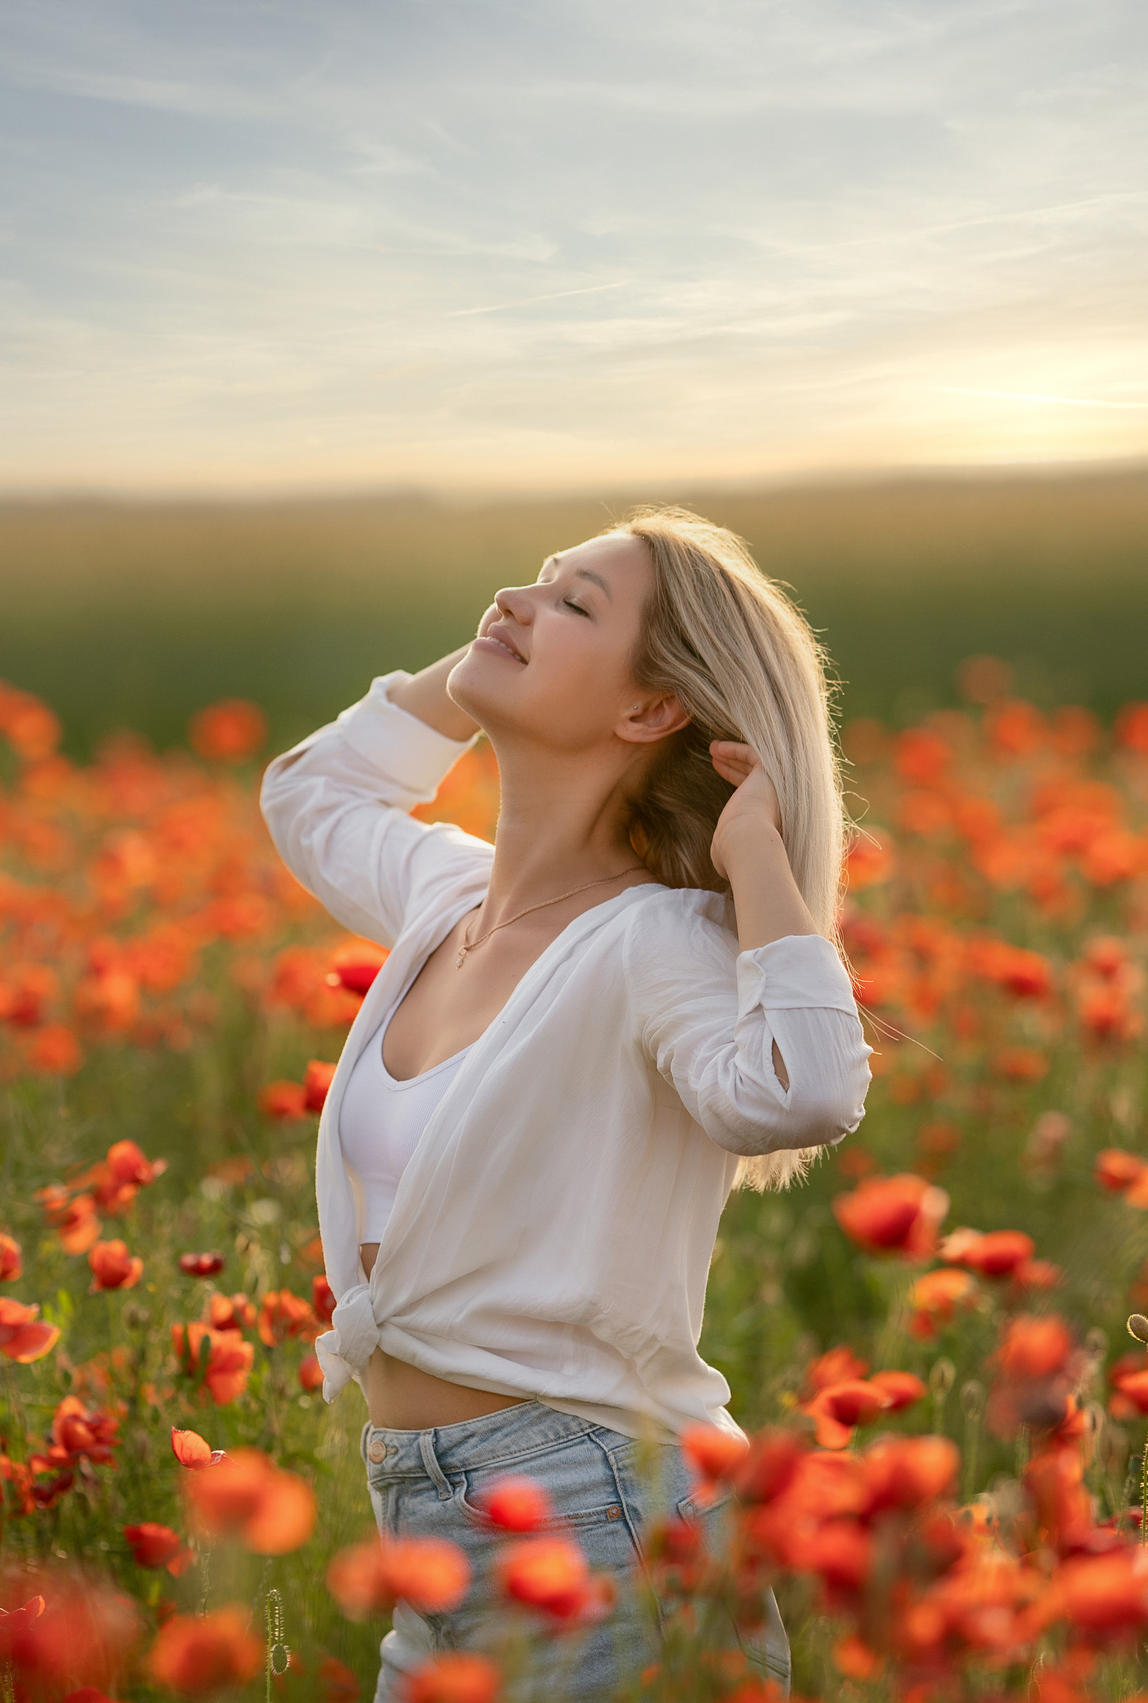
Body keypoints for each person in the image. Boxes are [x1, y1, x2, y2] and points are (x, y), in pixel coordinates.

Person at [259, 505, 875, 1699]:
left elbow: (801, 1093)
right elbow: (310, 791)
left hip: (599, 1524)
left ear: (650, 711)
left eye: (575, 603)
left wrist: (759, 860)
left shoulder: (658, 938)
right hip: (425, 1526)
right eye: (529, 581)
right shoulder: (446, 902)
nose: (515, 599)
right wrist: (499, 651)